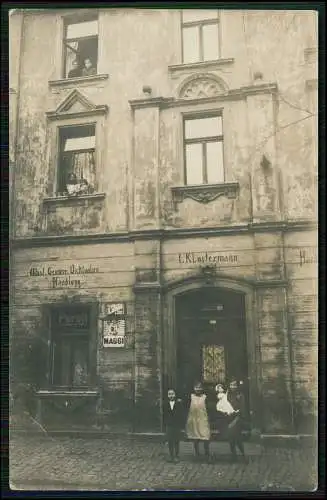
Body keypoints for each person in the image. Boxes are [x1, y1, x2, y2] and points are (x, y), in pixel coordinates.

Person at [185, 382, 211, 461]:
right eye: (196, 387)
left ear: (202, 388)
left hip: (203, 419)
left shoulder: (205, 397)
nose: (198, 389)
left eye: (199, 387)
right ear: (194, 388)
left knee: (206, 436)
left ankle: (207, 454)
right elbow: (187, 407)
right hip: (194, 420)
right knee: (195, 437)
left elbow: (208, 408)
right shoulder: (191, 397)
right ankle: (197, 454)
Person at [226, 379, 247, 462]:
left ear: (237, 386)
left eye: (234, 385)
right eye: (231, 385)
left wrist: (237, 418)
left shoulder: (240, 395)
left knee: (238, 438)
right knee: (231, 439)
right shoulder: (227, 395)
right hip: (229, 418)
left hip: (237, 419)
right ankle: (233, 455)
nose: (233, 387)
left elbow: (242, 408)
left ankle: (243, 455)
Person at [163, 389, 184, 463]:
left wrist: (181, 425)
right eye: (169, 394)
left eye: (172, 394)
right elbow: (164, 415)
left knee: (176, 440)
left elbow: (181, 414)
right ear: (167, 395)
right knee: (170, 440)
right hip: (169, 425)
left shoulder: (179, 403)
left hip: (176, 424)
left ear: (175, 395)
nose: (171, 395)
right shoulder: (165, 403)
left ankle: (177, 455)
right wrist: (165, 424)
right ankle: (171, 455)